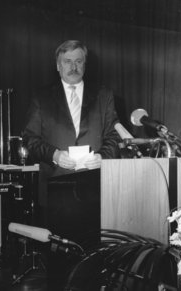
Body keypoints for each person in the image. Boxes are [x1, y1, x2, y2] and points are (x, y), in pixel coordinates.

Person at [23, 39, 120, 289]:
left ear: (85, 65)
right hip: (57, 190)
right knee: (59, 267)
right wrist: (54, 154)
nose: (73, 67)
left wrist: (104, 156)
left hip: (95, 189)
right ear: (58, 65)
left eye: (78, 61)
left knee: (94, 263)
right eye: (67, 61)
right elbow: (30, 139)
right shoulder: (41, 97)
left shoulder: (104, 94)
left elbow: (113, 134)